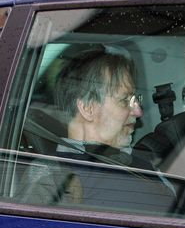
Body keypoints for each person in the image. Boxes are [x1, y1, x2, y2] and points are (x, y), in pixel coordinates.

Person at [16, 50, 176, 212]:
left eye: (136, 100)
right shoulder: (52, 176)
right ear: (87, 107)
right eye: (125, 100)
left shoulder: (145, 164)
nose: (138, 112)